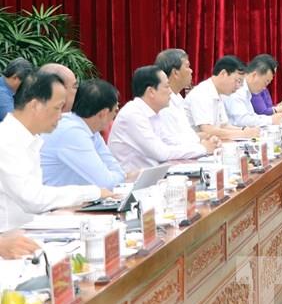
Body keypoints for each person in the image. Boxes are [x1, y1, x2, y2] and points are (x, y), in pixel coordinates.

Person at [0, 72, 110, 231]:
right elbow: (33, 199)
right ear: (35, 105)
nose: (60, 116)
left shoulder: (29, 139)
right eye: (58, 108)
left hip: (27, 230)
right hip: (8, 238)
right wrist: (92, 192)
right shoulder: (7, 141)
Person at [109, 66, 218, 173]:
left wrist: (202, 143)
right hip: (132, 181)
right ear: (151, 91)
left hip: (153, 175)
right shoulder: (133, 114)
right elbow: (161, 153)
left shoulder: (155, 112)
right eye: (166, 87)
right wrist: (202, 149)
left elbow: (170, 141)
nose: (170, 92)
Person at [40, 79, 126, 188]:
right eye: (115, 110)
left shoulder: (89, 128)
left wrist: (118, 177)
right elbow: (106, 183)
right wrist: (119, 177)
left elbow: (114, 168)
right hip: (57, 198)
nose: (115, 116)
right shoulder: (71, 132)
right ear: (103, 113)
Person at [183, 55, 259, 140]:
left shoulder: (218, 93)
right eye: (238, 81)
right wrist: (244, 134)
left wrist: (244, 130)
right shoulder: (202, 93)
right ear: (223, 74)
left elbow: (224, 126)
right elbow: (208, 131)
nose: (239, 86)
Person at [224, 56, 282, 126]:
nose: (264, 88)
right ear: (254, 75)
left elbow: (251, 116)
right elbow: (241, 120)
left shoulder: (246, 90)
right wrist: (270, 120)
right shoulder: (237, 88)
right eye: (266, 82)